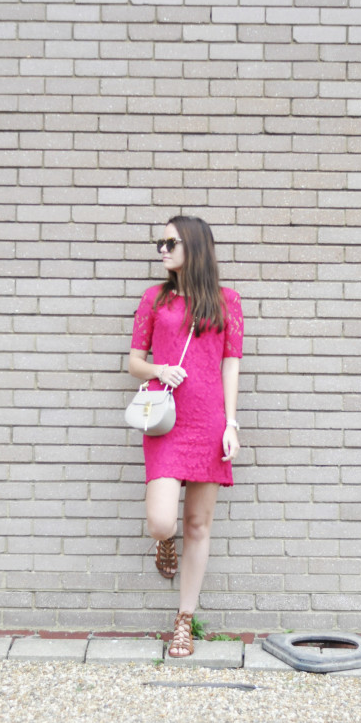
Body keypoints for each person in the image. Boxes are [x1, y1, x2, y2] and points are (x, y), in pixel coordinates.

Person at [128, 215, 244, 658]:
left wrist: (231, 423)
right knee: (163, 521)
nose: (161, 249)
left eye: (169, 242)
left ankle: (183, 620)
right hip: (166, 419)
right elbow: (134, 362)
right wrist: (159, 369)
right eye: (160, 242)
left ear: (192, 246)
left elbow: (231, 363)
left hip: (208, 422)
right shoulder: (154, 300)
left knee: (199, 525)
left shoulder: (226, 301)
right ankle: (163, 544)